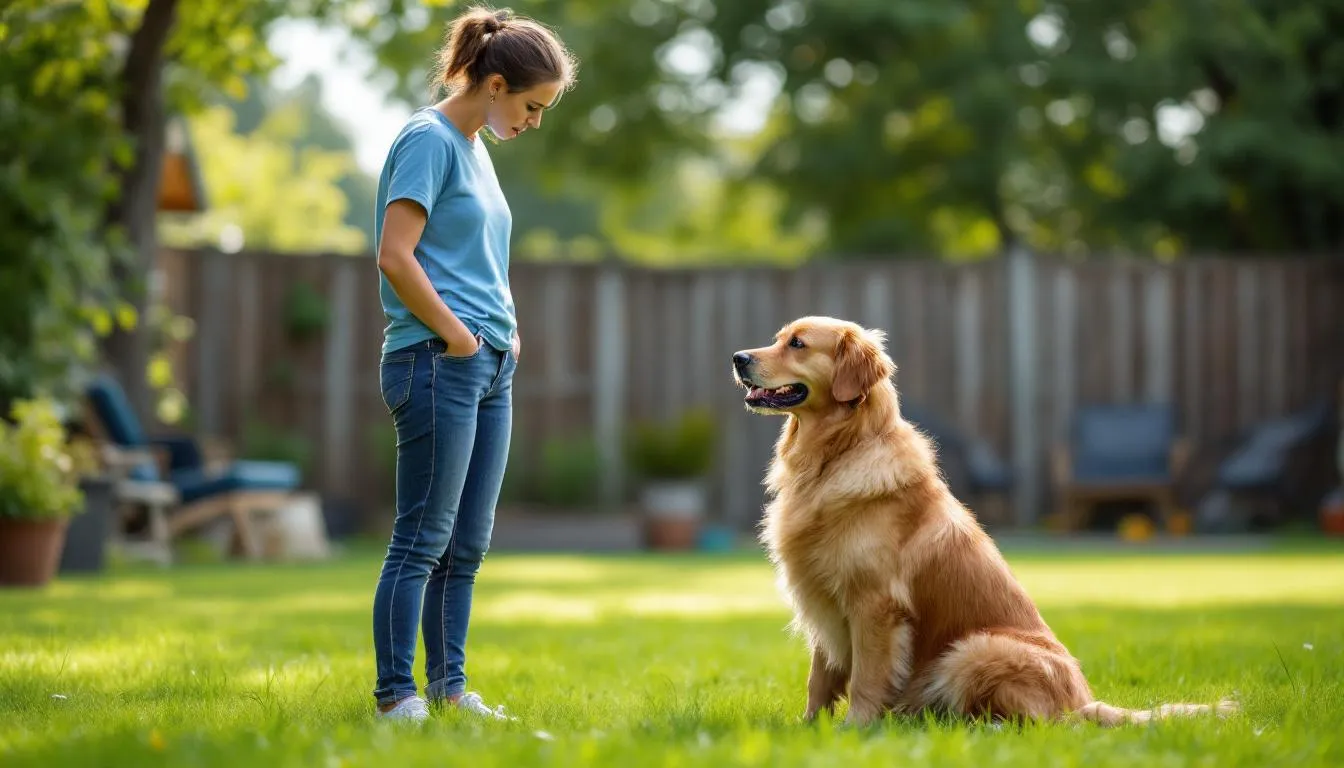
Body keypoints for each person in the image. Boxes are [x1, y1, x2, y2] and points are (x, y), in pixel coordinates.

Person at [369, 4, 577, 723]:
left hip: (488, 366)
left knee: (467, 544)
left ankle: (450, 692)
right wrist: (459, 336)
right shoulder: (428, 139)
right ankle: (396, 696)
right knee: (422, 538)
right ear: (493, 82)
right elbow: (395, 256)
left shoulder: (477, 150)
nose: (533, 121)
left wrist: (503, 333)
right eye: (531, 105)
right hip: (436, 361)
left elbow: (477, 255)